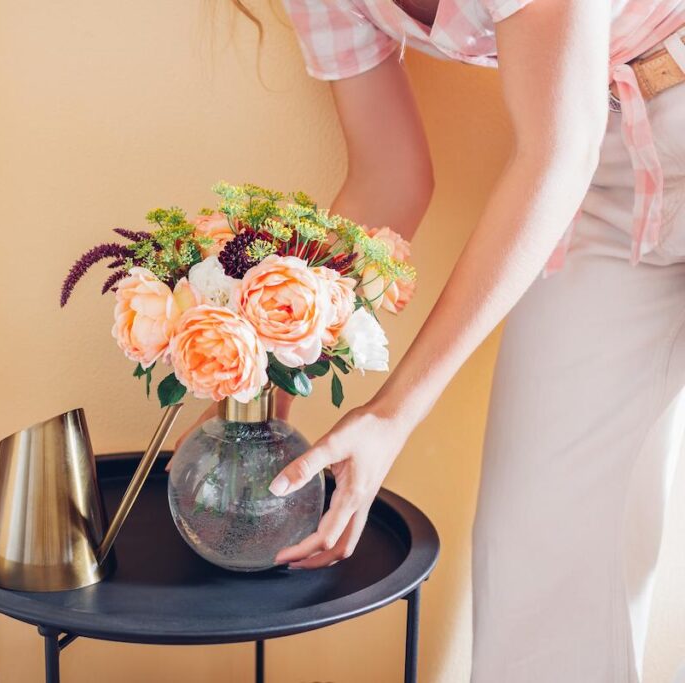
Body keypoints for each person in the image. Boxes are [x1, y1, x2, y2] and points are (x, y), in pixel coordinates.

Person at [208, 1, 685, 680]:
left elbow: (555, 152)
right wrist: (260, 380)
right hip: (606, 155)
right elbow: (389, 177)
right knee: (536, 553)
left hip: (572, 151)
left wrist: (392, 412)